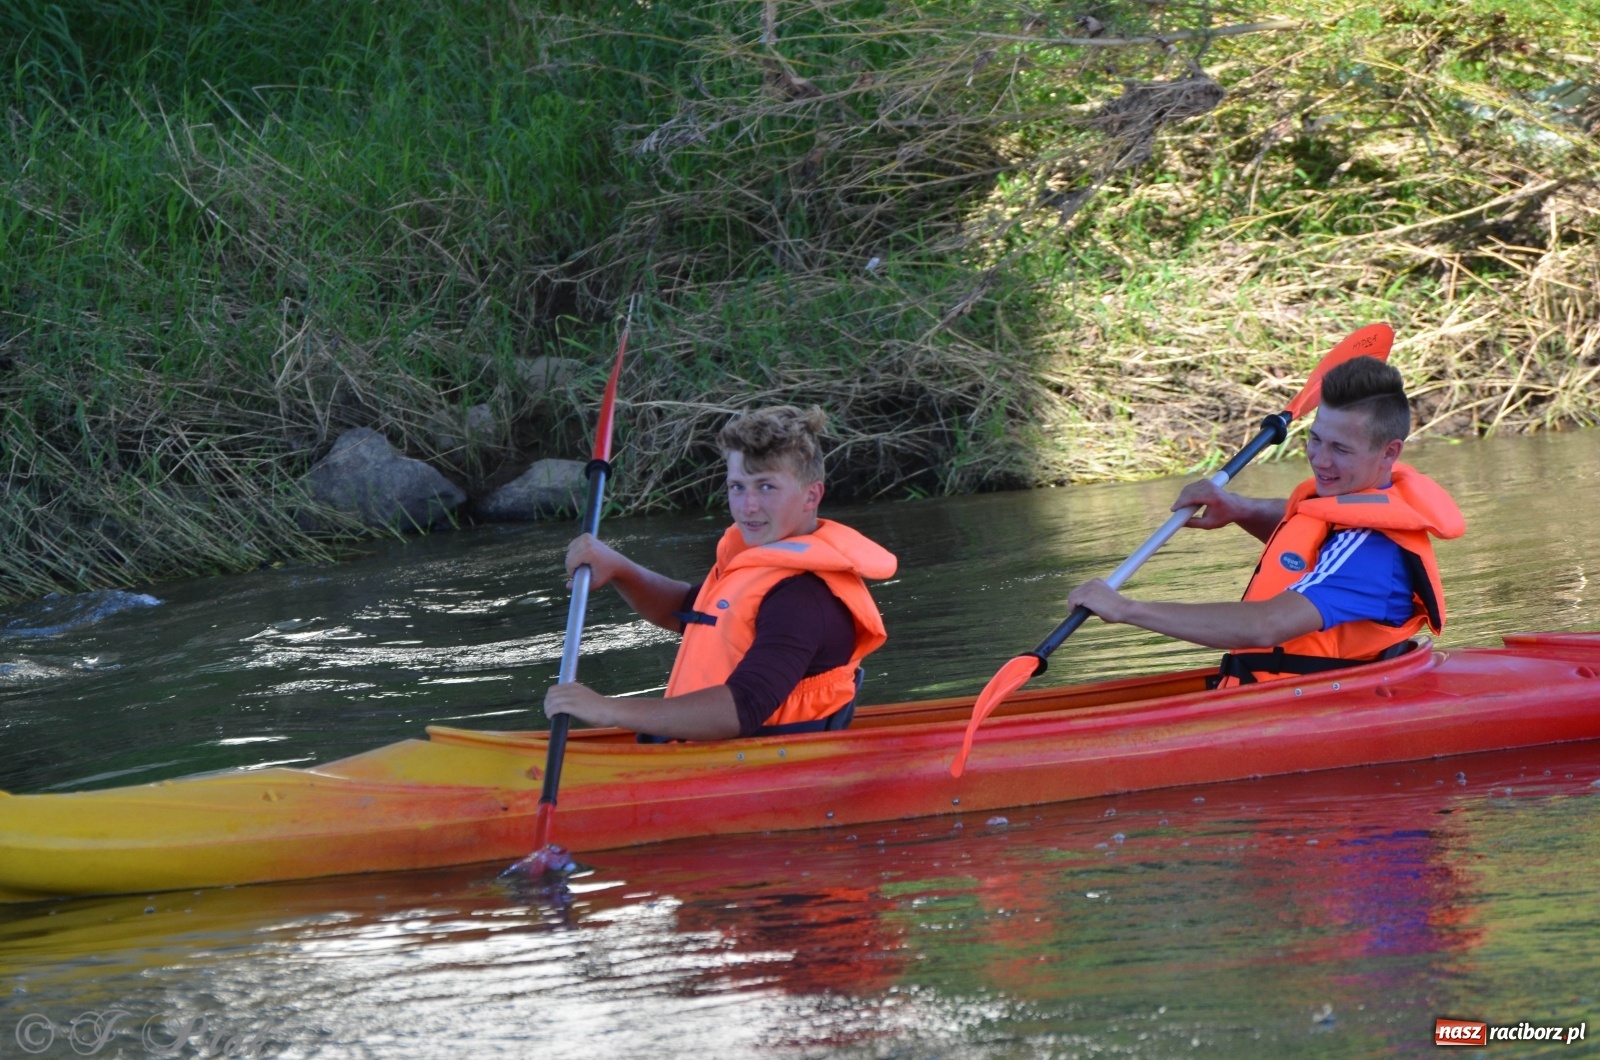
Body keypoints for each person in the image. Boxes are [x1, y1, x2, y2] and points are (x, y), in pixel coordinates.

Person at [1067, 355, 1465, 686]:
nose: (1321, 460)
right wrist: (1239, 507)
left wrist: (1126, 609)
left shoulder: (1371, 554)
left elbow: (1266, 625)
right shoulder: (1353, 503)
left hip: (1312, 713)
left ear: (1389, 452)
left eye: (1341, 449)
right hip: (1266, 697)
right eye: (1315, 439)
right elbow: (1309, 533)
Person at [543, 405, 898, 740]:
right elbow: (686, 609)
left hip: (765, 767)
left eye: (766, 486)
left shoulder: (804, 596)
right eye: (737, 487)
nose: (748, 506)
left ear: (811, 496)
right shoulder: (762, 563)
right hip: (710, 755)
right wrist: (620, 568)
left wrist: (610, 710)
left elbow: (741, 708)